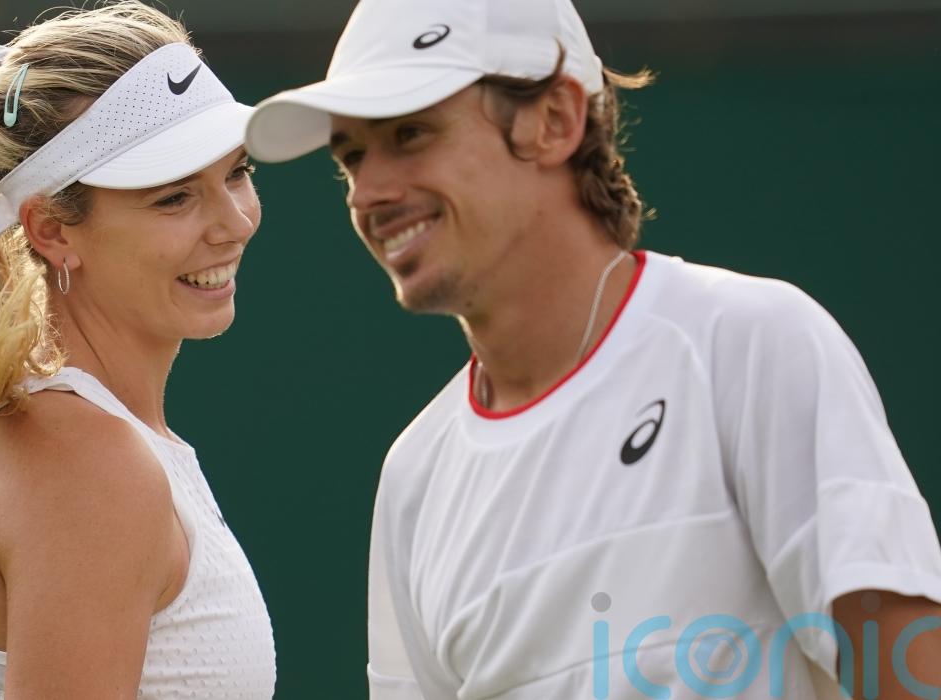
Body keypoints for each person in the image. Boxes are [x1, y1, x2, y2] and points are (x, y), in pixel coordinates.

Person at [244, 0, 941, 698]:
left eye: (410, 133)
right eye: (352, 158)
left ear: (555, 121)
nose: (369, 192)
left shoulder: (750, 344)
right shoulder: (414, 479)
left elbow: (912, 672)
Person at [0, 3, 275, 698]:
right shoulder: (88, 468)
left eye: (238, 172)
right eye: (175, 198)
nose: (234, 222)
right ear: (52, 231)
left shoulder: (97, 449)